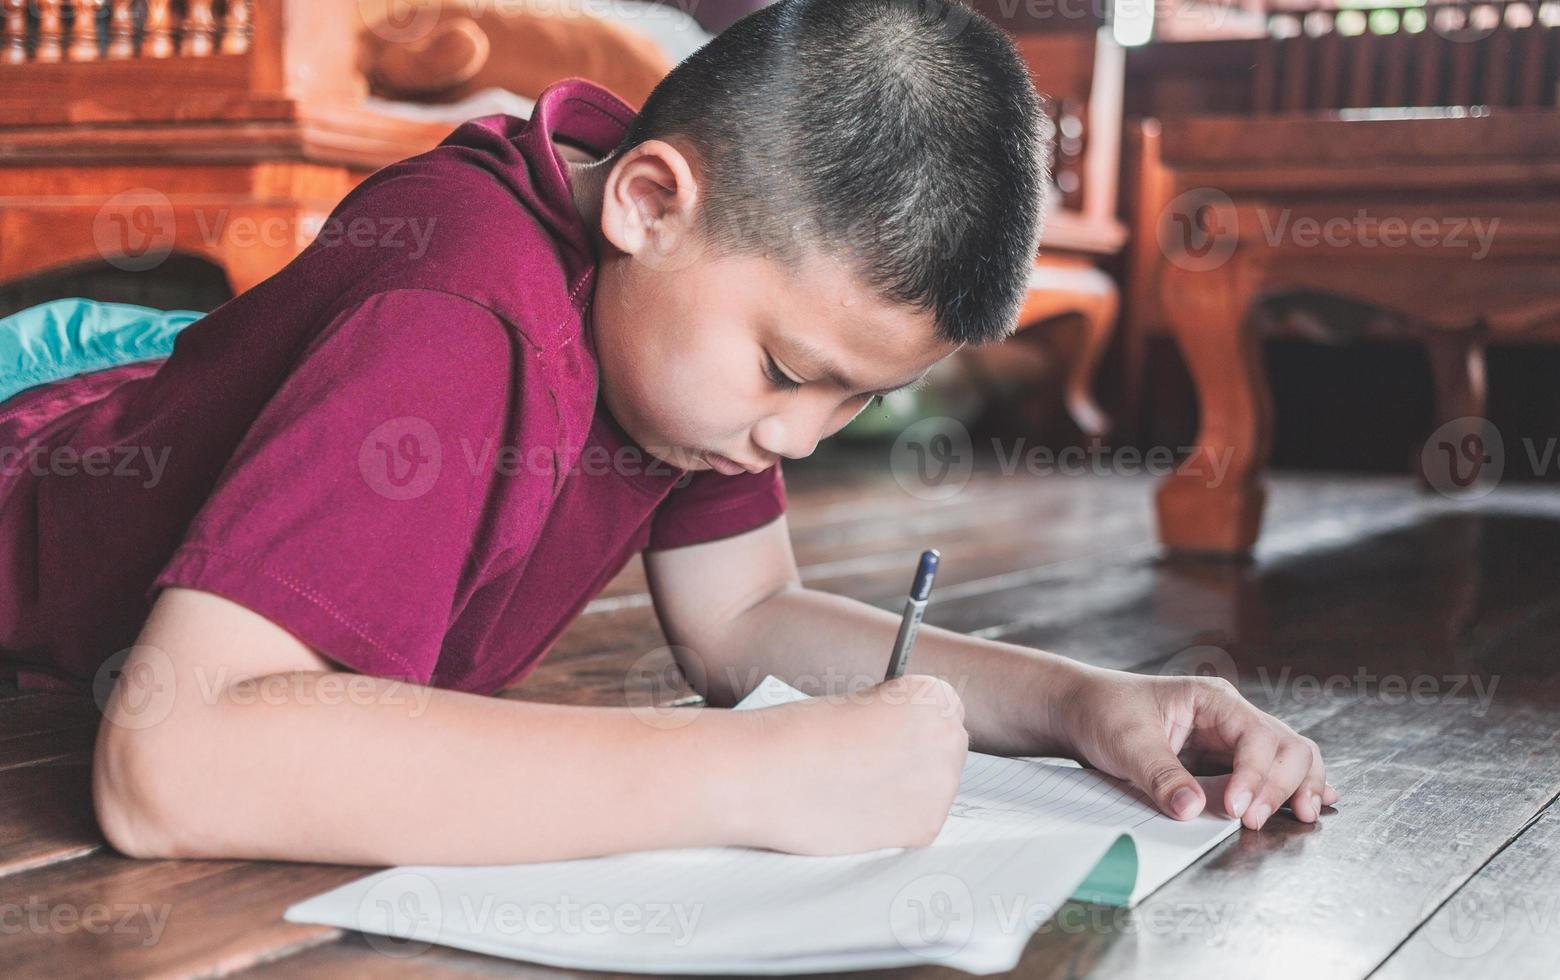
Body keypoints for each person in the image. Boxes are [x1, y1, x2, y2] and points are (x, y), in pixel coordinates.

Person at [1, 0, 1334, 867]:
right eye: (787, 370)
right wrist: (748, 774)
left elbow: (742, 618)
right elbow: (170, 762)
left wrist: (1079, 705)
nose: (803, 441)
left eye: (855, 402)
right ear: (648, 198)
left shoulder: (675, 339)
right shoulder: (462, 312)